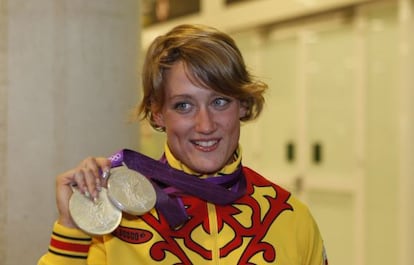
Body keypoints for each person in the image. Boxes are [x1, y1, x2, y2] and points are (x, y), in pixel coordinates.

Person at [38, 24, 328, 265]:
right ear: (157, 113)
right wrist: (72, 225)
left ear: (242, 105)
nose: (205, 125)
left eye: (219, 101)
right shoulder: (117, 218)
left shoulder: (290, 216)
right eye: (184, 105)